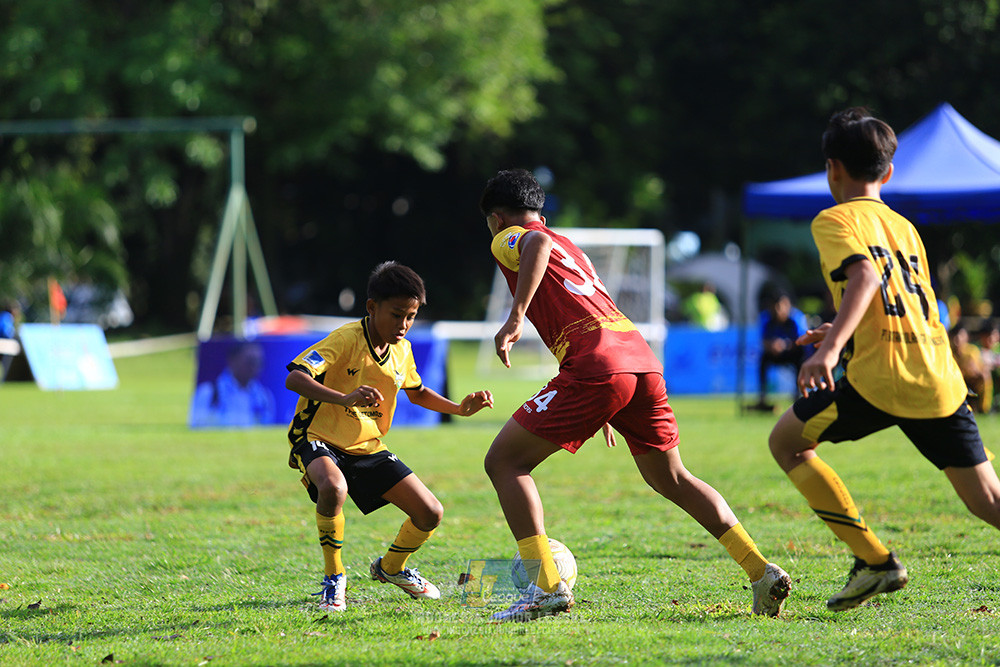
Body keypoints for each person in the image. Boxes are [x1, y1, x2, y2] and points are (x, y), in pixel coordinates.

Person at [479, 169, 791, 622]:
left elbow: (534, 244)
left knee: (504, 462)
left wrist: (515, 316)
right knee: (673, 478)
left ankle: (546, 587)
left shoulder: (513, 234)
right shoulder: (573, 248)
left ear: (496, 216)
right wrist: (608, 401)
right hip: (638, 361)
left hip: (599, 365)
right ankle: (760, 570)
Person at [768, 107, 1000, 612]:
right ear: (888, 172)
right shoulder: (904, 226)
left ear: (832, 168)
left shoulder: (833, 219)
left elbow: (866, 280)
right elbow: (903, 302)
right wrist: (843, 331)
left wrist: (828, 352)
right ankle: (872, 564)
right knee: (988, 501)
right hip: (937, 374)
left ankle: (874, 560)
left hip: (883, 379)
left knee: (787, 442)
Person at [285, 261, 493, 612]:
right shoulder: (345, 339)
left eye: (411, 316)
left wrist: (459, 408)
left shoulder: (403, 349)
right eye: (397, 314)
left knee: (430, 513)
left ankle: (391, 568)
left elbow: (418, 391)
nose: (404, 325)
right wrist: (344, 397)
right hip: (318, 436)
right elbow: (295, 378)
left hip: (367, 445)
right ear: (371, 307)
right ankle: (334, 578)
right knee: (334, 488)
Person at [189, 341, 276, 427]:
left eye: (259, 363)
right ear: (233, 360)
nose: (254, 367)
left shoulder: (264, 396)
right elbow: (197, 424)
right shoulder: (208, 392)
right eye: (250, 362)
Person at [752, 293, 810, 412]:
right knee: (763, 359)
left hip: (793, 352)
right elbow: (763, 340)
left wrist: (785, 345)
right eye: (774, 306)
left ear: (787, 306)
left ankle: (798, 395)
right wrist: (772, 346)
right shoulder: (766, 318)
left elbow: (802, 340)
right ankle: (762, 398)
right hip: (774, 353)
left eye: (780, 306)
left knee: (801, 359)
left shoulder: (796, 317)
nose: (777, 310)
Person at [950, 323, 992, 414]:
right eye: (955, 336)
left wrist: (973, 370)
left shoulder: (972, 351)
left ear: (966, 337)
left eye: (960, 336)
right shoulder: (948, 352)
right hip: (955, 381)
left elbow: (978, 370)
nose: (957, 340)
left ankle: (984, 409)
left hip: (970, 380)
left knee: (985, 376)